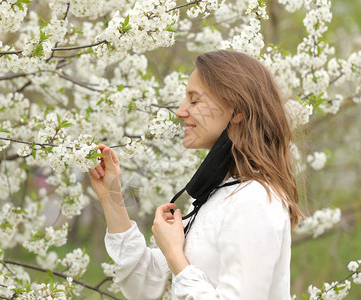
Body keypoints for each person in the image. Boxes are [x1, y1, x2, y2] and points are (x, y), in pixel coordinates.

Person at [89, 50, 304, 299]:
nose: (180, 111)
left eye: (194, 100)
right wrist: (112, 195)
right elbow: (143, 286)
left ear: (237, 111)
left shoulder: (254, 200)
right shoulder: (216, 196)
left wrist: (175, 256)